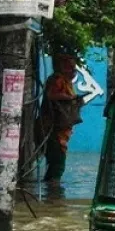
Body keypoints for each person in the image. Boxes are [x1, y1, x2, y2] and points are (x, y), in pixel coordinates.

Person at [41, 53, 83, 185]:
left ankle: (51, 193)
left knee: (55, 164)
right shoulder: (57, 80)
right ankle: (54, 194)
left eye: (74, 67)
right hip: (52, 129)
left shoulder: (68, 83)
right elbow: (51, 95)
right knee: (58, 162)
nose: (73, 70)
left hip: (62, 130)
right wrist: (69, 98)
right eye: (69, 67)